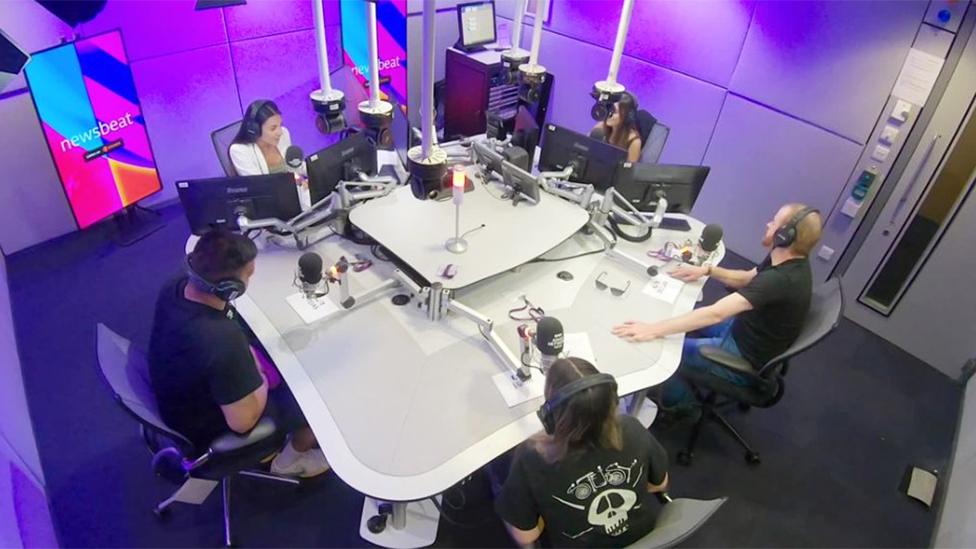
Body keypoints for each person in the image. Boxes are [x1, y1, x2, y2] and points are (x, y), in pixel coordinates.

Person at [148, 229, 329, 477]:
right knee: (320, 397)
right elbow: (243, 422)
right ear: (230, 289)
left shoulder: (176, 286)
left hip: (178, 397)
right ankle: (288, 461)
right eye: (249, 274)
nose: (251, 278)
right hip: (209, 429)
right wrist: (261, 378)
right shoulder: (220, 340)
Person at [611, 204, 823, 409]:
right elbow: (747, 279)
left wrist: (651, 330)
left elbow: (715, 314)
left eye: (774, 222)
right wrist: (707, 270)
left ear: (784, 235)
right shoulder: (786, 259)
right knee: (681, 317)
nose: (768, 224)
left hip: (743, 356)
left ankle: (681, 404)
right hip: (744, 329)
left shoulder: (780, 280)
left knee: (660, 355)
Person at [495, 358, 670, 548]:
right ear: (612, 401)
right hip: (645, 542)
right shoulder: (632, 428)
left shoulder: (532, 458)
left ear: (549, 416)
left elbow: (527, 536)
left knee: (497, 481)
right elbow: (659, 485)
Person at [229, 99, 297, 176]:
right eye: (273, 128)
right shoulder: (239, 150)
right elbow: (258, 185)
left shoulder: (284, 134)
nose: (280, 132)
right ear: (255, 129)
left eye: (280, 125)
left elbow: (294, 167)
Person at [591, 92, 642, 162]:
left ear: (627, 116)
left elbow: (629, 171)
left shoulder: (634, 141)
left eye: (614, 111)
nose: (609, 114)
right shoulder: (600, 127)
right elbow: (587, 149)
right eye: (609, 109)